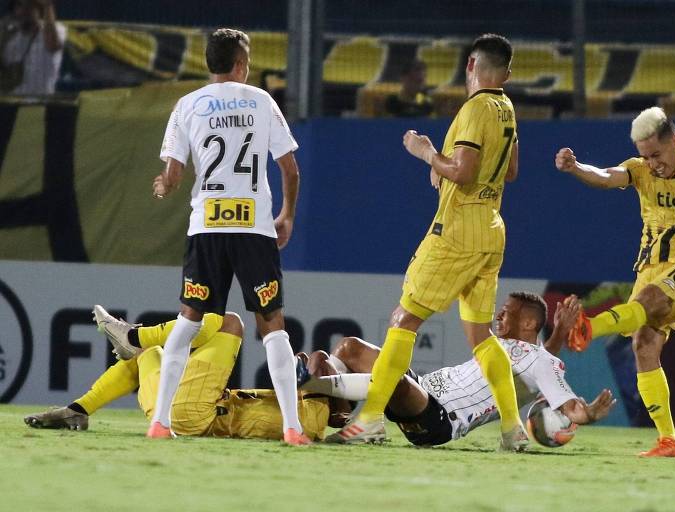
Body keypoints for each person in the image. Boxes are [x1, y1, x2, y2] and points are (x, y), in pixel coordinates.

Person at [100, 28, 307, 444]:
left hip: (207, 228)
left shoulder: (187, 105)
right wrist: (286, 214)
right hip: (252, 230)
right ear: (242, 64)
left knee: (189, 320)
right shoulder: (262, 102)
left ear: (210, 63)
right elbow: (290, 170)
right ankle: (292, 428)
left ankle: (160, 422)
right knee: (272, 325)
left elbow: (173, 176)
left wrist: (162, 185)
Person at [327, 33, 526, 450]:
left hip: (458, 231)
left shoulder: (475, 108)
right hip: (492, 227)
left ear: (470, 65)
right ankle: (512, 429)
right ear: (506, 74)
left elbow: (465, 171)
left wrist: (427, 153)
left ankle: (371, 421)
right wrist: (447, 170)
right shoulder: (507, 108)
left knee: (404, 319)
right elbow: (508, 172)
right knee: (481, 335)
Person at [554, 106, 675, 457]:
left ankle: (588, 329)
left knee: (651, 301)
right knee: (644, 345)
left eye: (657, 154)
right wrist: (577, 168)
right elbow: (608, 176)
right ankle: (669, 441)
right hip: (650, 266)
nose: (652, 163)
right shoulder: (640, 169)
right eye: (646, 156)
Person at [312, 293, 615, 446]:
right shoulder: (501, 348)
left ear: (528, 324)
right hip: (423, 386)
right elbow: (536, 356)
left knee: (397, 383)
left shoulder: (540, 361)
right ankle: (334, 411)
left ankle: (313, 386)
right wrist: (558, 333)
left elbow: (559, 392)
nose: (498, 315)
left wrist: (585, 414)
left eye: (506, 312)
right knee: (349, 347)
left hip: (440, 419)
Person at [25, 308, 335, 441]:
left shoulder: (315, 419)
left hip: (193, 413)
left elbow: (320, 363)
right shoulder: (308, 409)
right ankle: (78, 410)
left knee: (229, 323)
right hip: (173, 408)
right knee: (149, 355)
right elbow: (319, 369)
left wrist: (313, 366)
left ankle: (135, 335)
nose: (307, 362)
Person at [0, 0, 65, 95]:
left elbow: (52, 45)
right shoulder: (9, 37)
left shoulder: (57, 30)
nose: (25, 10)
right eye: (20, 5)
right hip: (10, 104)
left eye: (30, 6)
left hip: (41, 104)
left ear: (39, 10)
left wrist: (48, 5)